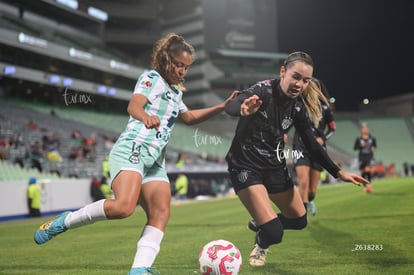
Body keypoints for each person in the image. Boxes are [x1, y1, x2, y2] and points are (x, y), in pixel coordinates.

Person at [33, 33, 236, 275]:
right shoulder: (151, 78)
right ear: (165, 59)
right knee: (123, 208)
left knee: (161, 212)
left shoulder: (176, 92)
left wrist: (222, 107)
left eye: (186, 67)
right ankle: (63, 222)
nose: (183, 71)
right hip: (133, 149)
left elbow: (189, 118)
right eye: (179, 65)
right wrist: (145, 116)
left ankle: (139, 269)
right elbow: (134, 105)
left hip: (154, 161)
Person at [224, 51, 369, 267]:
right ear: (282, 72)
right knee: (274, 232)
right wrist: (242, 109)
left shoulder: (298, 107)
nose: (299, 84)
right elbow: (233, 105)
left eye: (305, 80)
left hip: (274, 168)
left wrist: (339, 173)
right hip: (245, 166)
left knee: (299, 221)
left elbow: (312, 144)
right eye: (295, 77)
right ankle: (263, 239)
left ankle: (261, 223)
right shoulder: (263, 90)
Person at [293, 78, 336, 216]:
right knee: (303, 182)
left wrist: (322, 139)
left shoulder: (325, 109)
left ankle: (309, 201)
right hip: (300, 147)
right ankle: (302, 214)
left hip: (318, 151)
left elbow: (332, 129)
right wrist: (283, 134)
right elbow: (287, 122)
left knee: (312, 190)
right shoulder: (298, 105)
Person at [353, 123, 376, 193]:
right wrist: (360, 146)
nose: (365, 130)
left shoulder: (372, 138)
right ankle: (366, 186)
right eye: (363, 128)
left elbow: (375, 146)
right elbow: (355, 148)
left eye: (366, 128)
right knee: (363, 171)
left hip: (369, 156)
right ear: (361, 130)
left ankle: (368, 186)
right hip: (362, 157)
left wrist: (373, 148)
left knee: (368, 170)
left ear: (368, 129)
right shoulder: (359, 139)